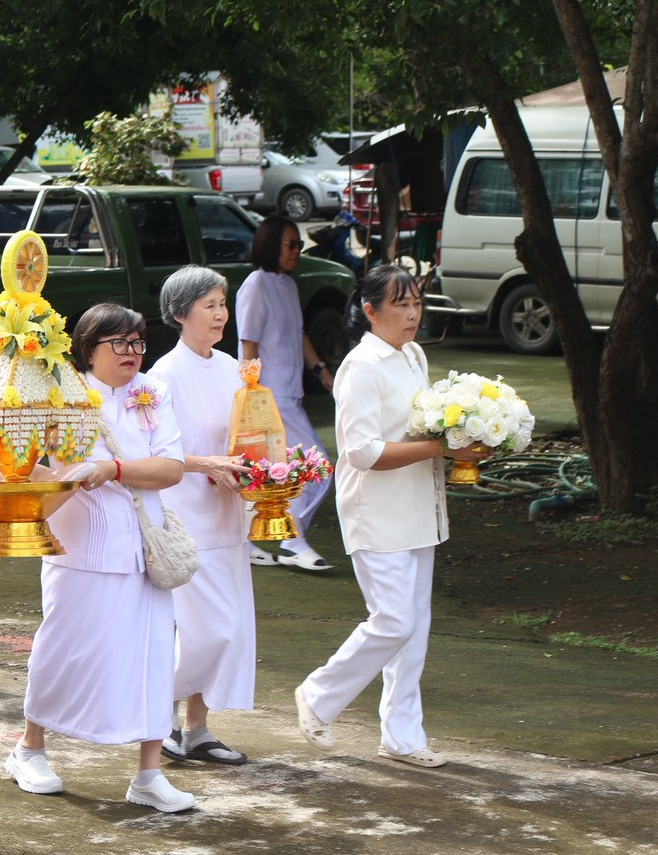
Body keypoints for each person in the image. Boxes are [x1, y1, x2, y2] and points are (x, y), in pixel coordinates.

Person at [4, 303, 195, 813]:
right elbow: (36, 463)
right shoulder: (61, 393)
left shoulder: (154, 392)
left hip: (144, 547)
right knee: (65, 647)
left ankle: (149, 773)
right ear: (89, 349)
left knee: (153, 657)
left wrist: (112, 469)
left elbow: (172, 467)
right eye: (120, 343)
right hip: (81, 544)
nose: (133, 353)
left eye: (138, 342)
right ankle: (29, 748)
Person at [294, 266, 484, 769]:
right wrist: (438, 446)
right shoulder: (361, 366)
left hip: (419, 503)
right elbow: (360, 451)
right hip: (375, 509)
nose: (412, 313)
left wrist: (461, 438)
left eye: (417, 302)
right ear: (370, 311)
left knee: (414, 626)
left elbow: (422, 425)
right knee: (394, 620)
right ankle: (319, 694)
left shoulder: (415, 354)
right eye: (400, 304)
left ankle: (402, 734)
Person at [146, 268, 258, 766]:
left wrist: (266, 469)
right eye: (209, 305)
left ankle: (197, 726)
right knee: (203, 629)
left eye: (223, 303)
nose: (221, 314)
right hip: (187, 515)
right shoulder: (162, 376)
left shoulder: (235, 367)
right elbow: (161, 450)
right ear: (179, 313)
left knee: (231, 628)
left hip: (229, 514)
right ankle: (156, 713)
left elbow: (250, 432)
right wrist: (207, 465)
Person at [237, 214, 336, 571]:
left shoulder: (288, 285)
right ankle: (291, 540)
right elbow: (248, 345)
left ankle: (253, 540)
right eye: (290, 244)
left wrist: (322, 371)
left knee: (278, 472)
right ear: (269, 245)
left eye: (300, 245)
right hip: (270, 397)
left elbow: (300, 335)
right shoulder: (255, 285)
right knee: (318, 468)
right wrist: (251, 397)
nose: (297, 251)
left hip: (292, 394)